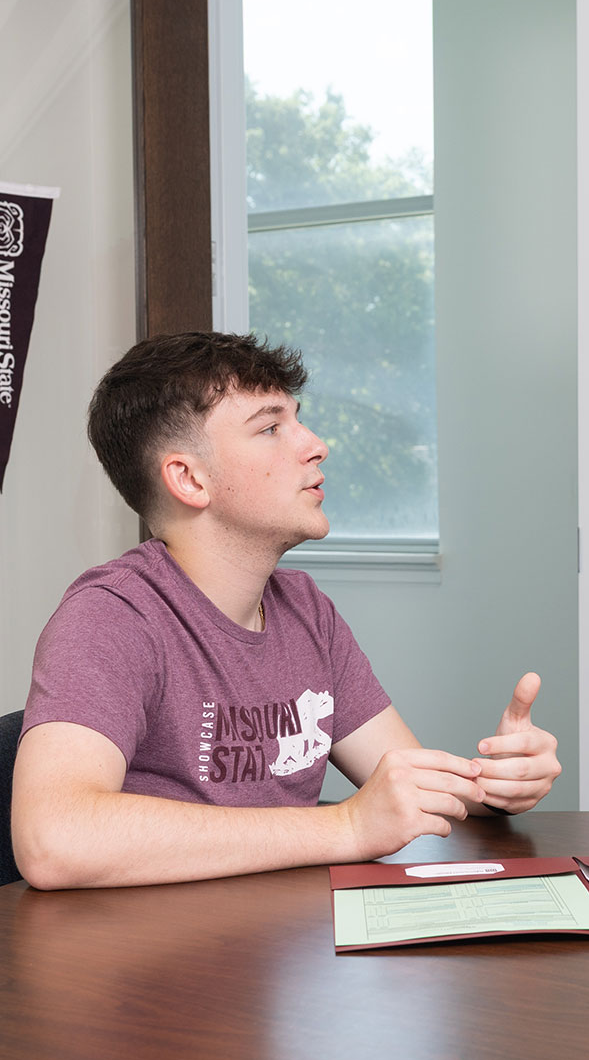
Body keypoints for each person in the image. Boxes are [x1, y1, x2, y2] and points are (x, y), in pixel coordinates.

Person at [13, 332, 561, 889]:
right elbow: (53, 840)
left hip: (281, 951)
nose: (316, 444)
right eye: (271, 428)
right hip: (158, 964)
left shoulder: (305, 610)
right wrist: (345, 825)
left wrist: (497, 784)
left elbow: (408, 787)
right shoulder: (112, 616)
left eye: (298, 419)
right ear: (189, 478)